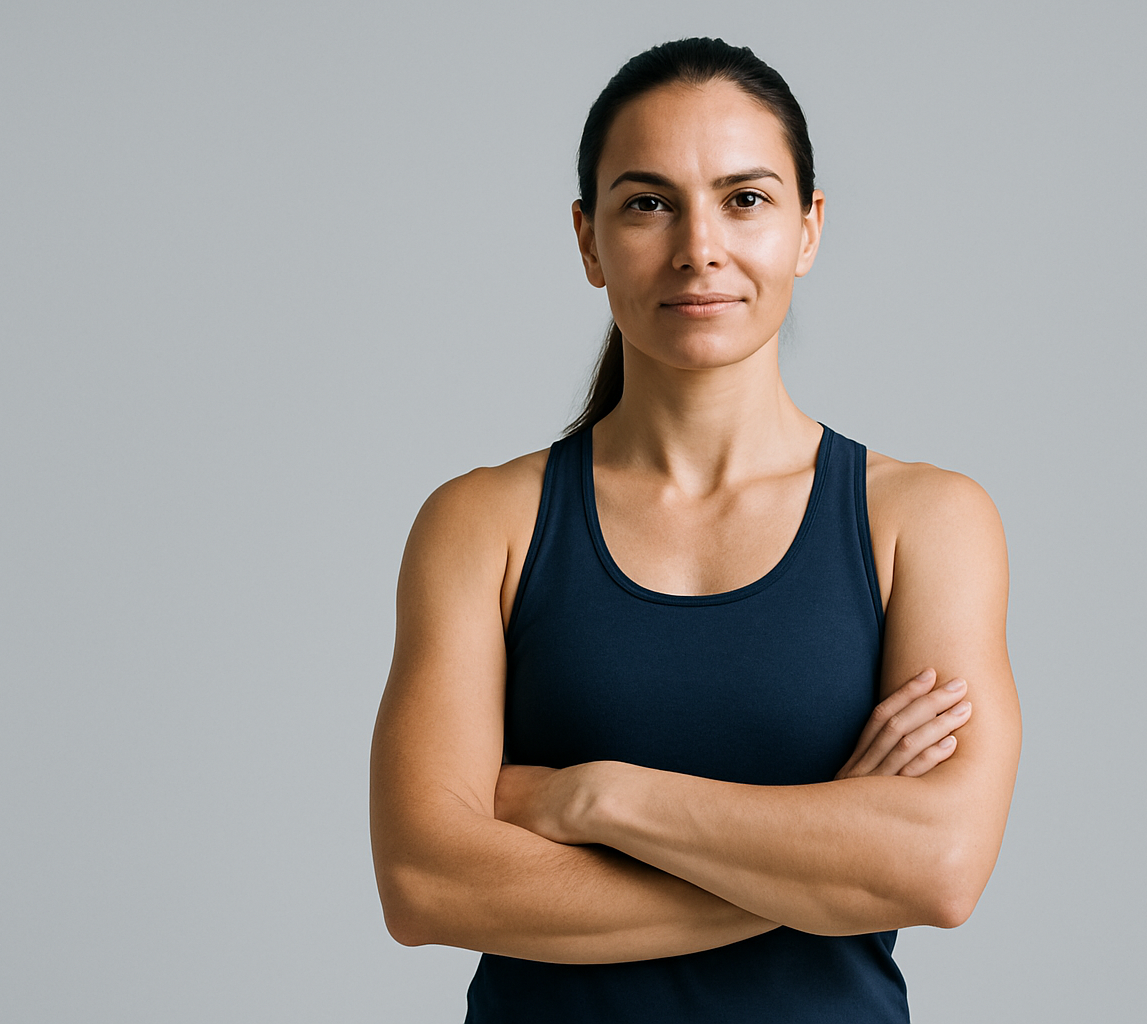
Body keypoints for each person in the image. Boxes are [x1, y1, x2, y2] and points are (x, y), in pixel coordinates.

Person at [369, 38, 1020, 1023]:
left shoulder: (925, 522)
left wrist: (599, 799)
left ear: (808, 229)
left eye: (745, 199)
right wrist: (826, 861)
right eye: (647, 202)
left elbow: (936, 867)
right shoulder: (482, 524)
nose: (698, 246)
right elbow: (428, 884)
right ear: (588, 240)